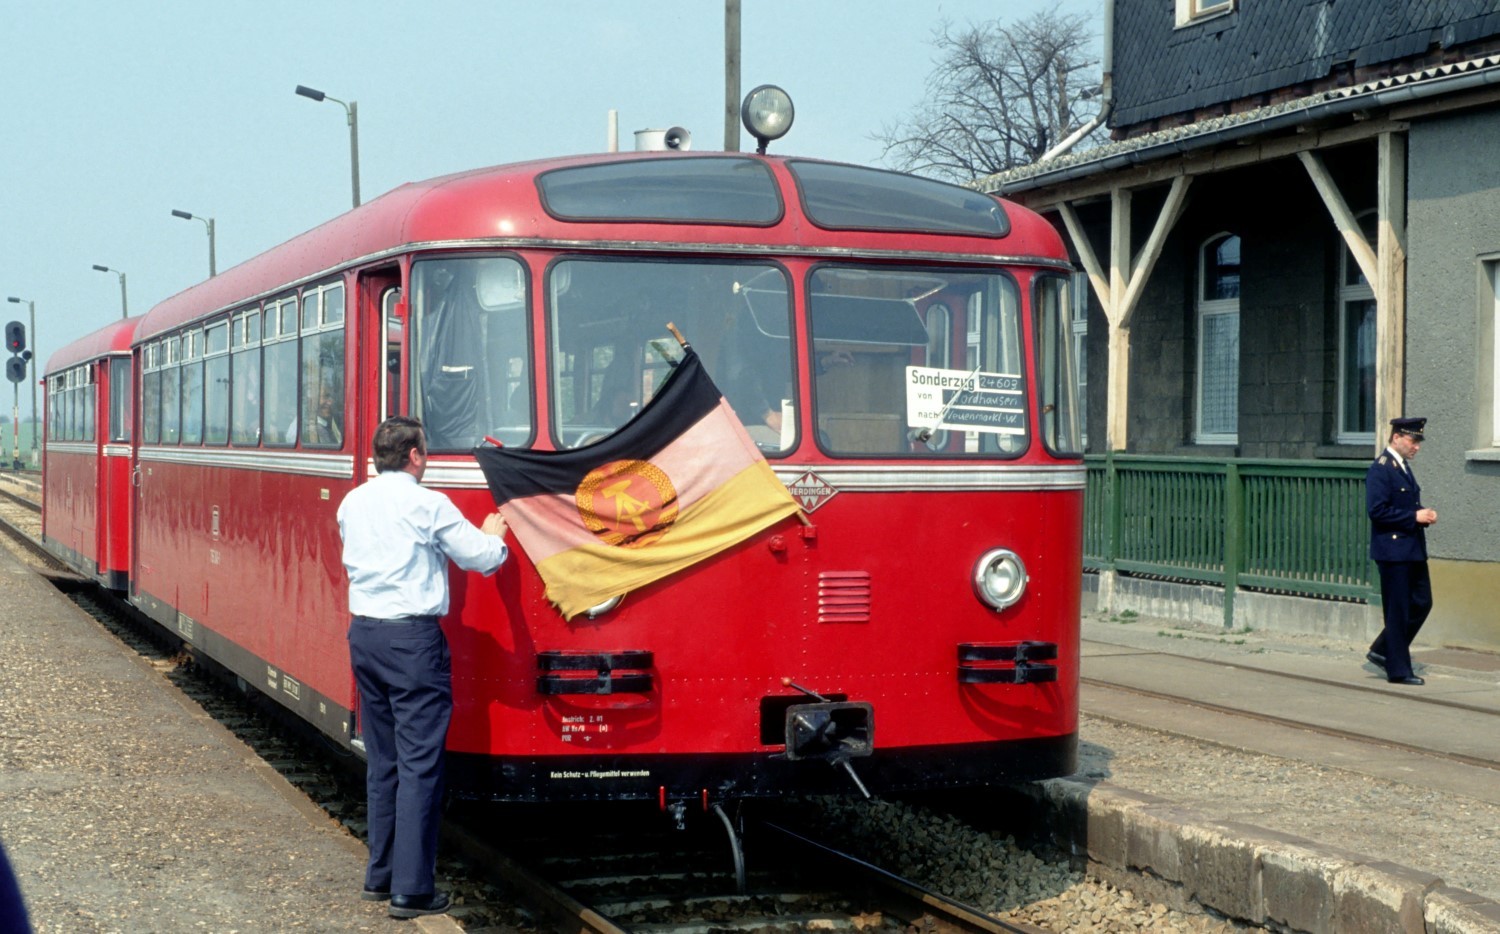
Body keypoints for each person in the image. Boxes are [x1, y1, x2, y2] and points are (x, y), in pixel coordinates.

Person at [336, 416, 509, 919]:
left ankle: (380, 875)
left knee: (384, 760)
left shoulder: (353, 502)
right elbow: (481, 558)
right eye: (425, 452)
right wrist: (495, 536)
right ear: (415, 456)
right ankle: (411, 890)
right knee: (420, 765)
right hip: (412, 641)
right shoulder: (426, 502)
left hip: (365, 634)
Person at [1365, 416, 1437, 686]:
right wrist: (1414, 517)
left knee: (1422, 602)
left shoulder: (1402, 467)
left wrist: (1422, 515)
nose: (1416, 445)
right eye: (1412, 440)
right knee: (1398, 610)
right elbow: (1377, 511)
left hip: (1411, 549)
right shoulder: (1381, 469)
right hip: (1393, 550)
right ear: (1396, 437)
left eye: (1418, 441)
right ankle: (1398, 669)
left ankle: (1384, 650)